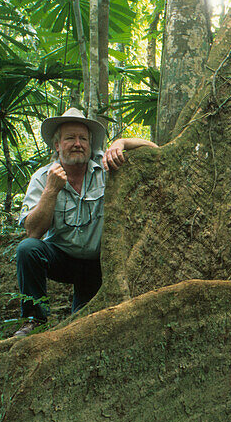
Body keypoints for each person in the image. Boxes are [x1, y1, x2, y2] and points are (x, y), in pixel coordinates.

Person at [14, 107, 158, 337]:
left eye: (83, 138)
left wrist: (122, 142)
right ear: (57, 145)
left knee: (81, 327)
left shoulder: (107, 166)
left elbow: (158, 152)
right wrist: (51, 190)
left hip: (99, 263)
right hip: (61, 258)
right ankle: (34, 320)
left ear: (91, 144)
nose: (77, 144)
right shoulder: (42, 178)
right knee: (27, 249)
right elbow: (32, 232)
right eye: (70, 138)